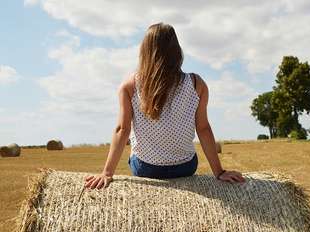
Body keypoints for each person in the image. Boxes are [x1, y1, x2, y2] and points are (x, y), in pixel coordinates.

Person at [84, 22, 245, 190]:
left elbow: (122, 130)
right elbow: (203, 128)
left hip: (145, 168)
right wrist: (219, 172)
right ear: (177, 51)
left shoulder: (130, 86)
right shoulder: (197, 84)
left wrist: (107, 173)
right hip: (185, 167)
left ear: (145, 51)